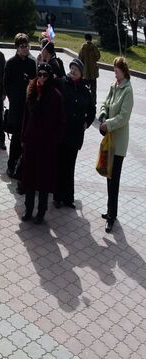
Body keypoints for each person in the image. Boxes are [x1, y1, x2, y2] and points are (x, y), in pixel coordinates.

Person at [16, 64, 65, 224]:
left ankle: (41, 212)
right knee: (29, 177)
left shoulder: (56, 96)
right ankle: (28, 209)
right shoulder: (31, 90)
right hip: (31, 141)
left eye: (45, 75)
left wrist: (54, 140)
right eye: (40, 74)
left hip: (47, 144)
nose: (42, 78)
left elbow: (60, 122)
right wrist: (23, 137)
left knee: (44, 180)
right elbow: (25, 116)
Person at [98, 57, 133, 231]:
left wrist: (108, 124)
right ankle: (110, 210)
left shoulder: (128, 90)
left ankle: (111, 216)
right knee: (108, 175)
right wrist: (103, 114)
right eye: (114, 70)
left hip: (118, 143)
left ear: (124, 72)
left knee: (114, 179)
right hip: (109, 139)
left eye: (117, 71)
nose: (115, 73)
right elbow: (105, 103)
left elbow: (123, 117)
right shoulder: (114, 85)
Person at [56, 59, 95, 210]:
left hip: (76, 135)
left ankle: (68, 198)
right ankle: (58, 197)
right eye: (71, 68)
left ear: (81, 74)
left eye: (76, 70)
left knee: (70, 166)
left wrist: (87, 123)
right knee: (60, 165)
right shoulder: (62, 83)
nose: (72, 71)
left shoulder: (85, 90)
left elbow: (92, 110)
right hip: (62, 132)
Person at [3, 34, 37, 178]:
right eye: (22, 46)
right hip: (16, 107)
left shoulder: (31, 63)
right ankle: (11, 166)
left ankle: (22, 168)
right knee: (16, 139)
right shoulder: (11, 63)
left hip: (28, 107)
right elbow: (6, 84)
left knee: (26, 140)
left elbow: (35, 82)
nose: (25, 49)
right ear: (17, 47)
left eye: (27, 46)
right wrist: (13, 98)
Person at [79, 32, 102, 100]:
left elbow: (80, 58)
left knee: (84, 89)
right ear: (91, 39)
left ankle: (85, 101)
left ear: (85, 38)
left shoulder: (83, 47)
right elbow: (98, 56)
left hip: (85, 72)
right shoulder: (94, 47)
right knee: (93, 89)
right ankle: (93, 101)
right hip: (93, 72)